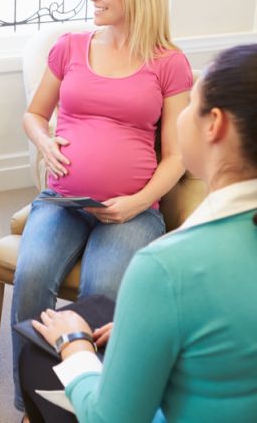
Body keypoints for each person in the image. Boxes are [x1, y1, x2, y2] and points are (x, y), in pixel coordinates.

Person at [29, 43, 257, 422]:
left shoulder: (166, 268)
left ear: (215, 124)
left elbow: (111, 418)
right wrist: (148, 326)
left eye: (190, 106)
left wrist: (75, 346)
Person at [10, 0, 193, 408]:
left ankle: (88, 406)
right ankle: (32, 407)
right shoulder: (69, 47)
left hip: (131, 212)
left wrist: (136, 202)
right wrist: (46, 141)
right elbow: (34, 115)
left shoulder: (168, 63)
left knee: (101, 293)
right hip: (62, 201)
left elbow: (177, 156)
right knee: (31, 275)